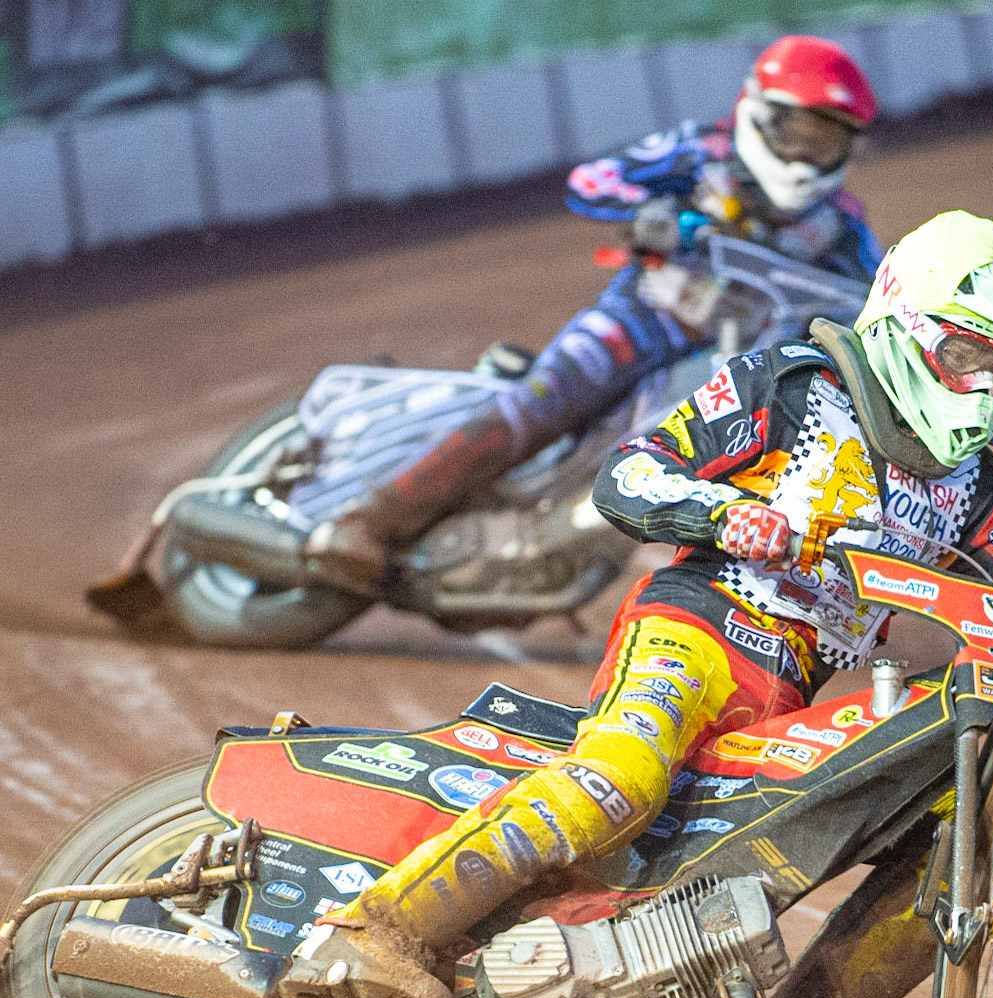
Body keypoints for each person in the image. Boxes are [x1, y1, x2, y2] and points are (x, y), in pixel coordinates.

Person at [281, 211, 993, 998]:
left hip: (789, 687)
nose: (992, 387)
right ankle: (378, 929)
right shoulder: (795, 385)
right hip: (697, 628)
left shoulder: (974, 481)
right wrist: (721, 515)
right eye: (973, 355)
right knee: (621, 775)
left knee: (963, 819)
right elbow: (630, 474)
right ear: (909, 325)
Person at [306, 34, 884, 586]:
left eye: (826, 139)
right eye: (797, 131)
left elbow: (877, 296)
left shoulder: (842, 225)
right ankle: (366, 522)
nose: (806, 154)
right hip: (642, 320)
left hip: (735, 353)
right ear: (757, 112)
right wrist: (657, 208)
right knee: (539, 405)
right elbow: (592, 180)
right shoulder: (699, 151)